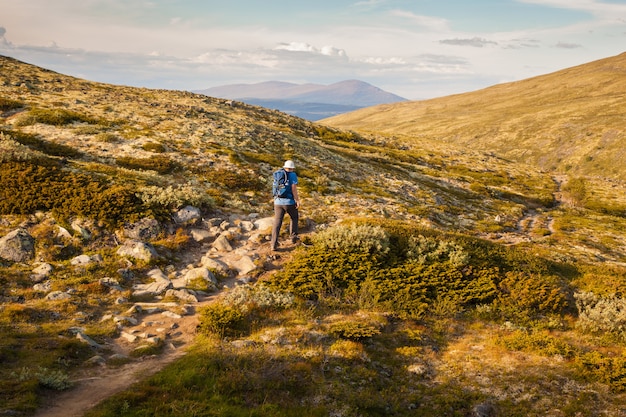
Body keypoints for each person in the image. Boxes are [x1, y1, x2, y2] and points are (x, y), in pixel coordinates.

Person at [271, 160, 300, 251]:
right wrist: (297, 200)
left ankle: (273, 244)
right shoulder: (292, 175)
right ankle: (293, 238)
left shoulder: (278, 174)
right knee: (294, 217)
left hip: (278, 202)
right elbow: (293, 189)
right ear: (292, 168)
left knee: (277, 222)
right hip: (289, 202)